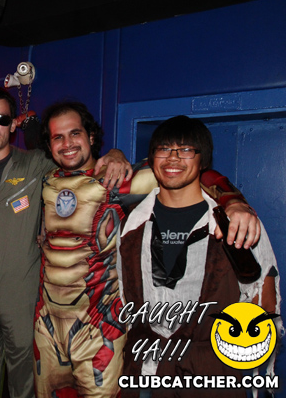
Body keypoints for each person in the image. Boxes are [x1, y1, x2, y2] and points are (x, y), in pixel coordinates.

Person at [33, 103, 262, 397]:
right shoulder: (47, 180)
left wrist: (234, 202)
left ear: (90, 136)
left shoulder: (118, 182)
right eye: (58, 137)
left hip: (98, 326)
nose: (67, 144)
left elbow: (189, 172)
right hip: (47, 325)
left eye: (75, 133)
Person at [0, 88, 131, 398]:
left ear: (14, 124)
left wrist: (116, 153)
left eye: (3, 119)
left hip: (34, 300)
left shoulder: (37, 164)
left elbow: (81, 163)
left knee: (26, 385)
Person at [116, 115, 280, 398]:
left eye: (186, 149)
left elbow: (264, 300)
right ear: (151, 158)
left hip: (211, 373)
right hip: (145, 372)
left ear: (203, 160)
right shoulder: (131, 225)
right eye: (164, 149)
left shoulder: (236, 224)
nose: (173, 158)